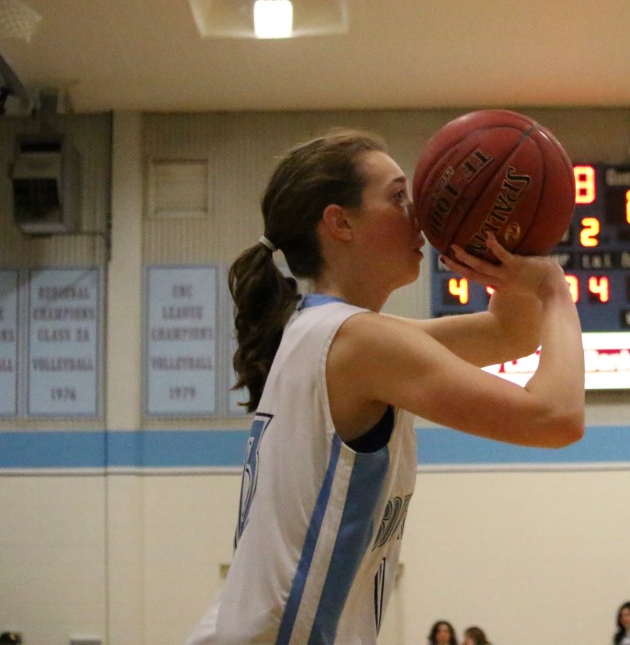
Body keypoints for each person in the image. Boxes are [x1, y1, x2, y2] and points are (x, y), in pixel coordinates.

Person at [186, 129, 585, 644]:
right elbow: (556, 417)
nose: (419, 214)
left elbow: (510, 333)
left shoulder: (324, 331)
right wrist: (553, 290)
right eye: (398, 197)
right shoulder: (359, 343)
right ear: (340, 222)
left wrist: (507, 250)